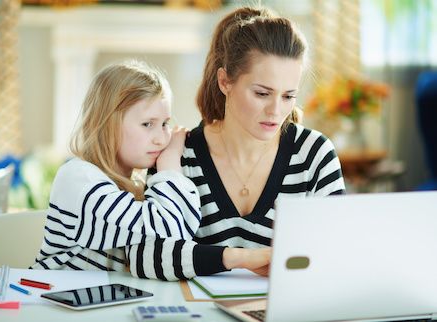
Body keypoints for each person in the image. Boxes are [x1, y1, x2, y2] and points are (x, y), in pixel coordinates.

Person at [127, 7, 346, 280]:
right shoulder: (178, 156)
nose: (276, 111)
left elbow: (336, 256)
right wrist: (239, 258)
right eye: (262, 93)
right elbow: (144, 256)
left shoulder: (314, 156)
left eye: (288, 96)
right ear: (224, 81)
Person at [32, 61, 202, 271]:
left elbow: (176, 240)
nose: (161, 139)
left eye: (165, 124)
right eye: (147, 124)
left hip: (104, 300)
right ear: (108, 124)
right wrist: (170, 164)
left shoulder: (134, 184)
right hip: (52, 299)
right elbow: (169, 232)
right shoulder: (79, 179)